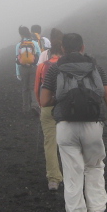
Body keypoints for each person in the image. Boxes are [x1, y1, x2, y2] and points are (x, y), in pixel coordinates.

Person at [40, 33, 107, 212]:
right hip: (93, 124)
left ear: (62, 48)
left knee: (72, 176)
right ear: (82, 47)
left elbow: (43, 101)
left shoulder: (54, 69)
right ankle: (96, 208)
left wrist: (63, 99)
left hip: (66, 128)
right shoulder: (95, 68)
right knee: (94, 166)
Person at [34, 28, 64, 191]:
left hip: (48, 105)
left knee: (50, 142)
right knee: (69, 141)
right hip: (66, 105)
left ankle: (53, 178)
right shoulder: (68, 61)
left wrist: (41, 103)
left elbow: (37, 86)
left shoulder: (44, 62)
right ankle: (73, 172)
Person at [15, 26, 41, 116]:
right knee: (33, 87)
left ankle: (25, 108)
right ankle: (35, 105)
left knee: (25, 88)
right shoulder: (34, 43)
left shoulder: (19, 45)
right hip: (33, 67)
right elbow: (39, 55)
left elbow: (17, 59)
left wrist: (18, 73)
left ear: (21, 34)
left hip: (23, 68)